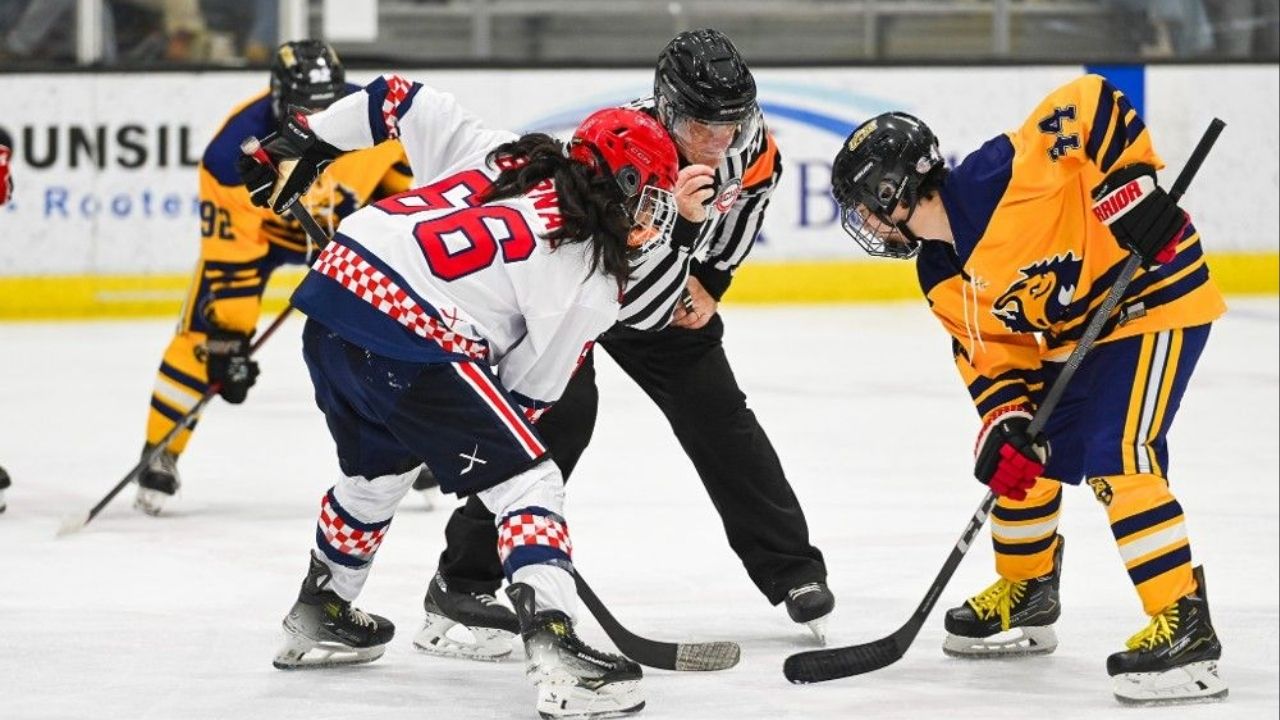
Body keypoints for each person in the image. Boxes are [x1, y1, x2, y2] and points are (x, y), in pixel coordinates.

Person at [239, 71, 687, 718]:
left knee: (376, 473)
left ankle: (322, 608)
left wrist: (305, 141)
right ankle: (558, 649)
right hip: (410, 339)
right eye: (649, 199)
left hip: (332, 301)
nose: (651, 219)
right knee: (529, 481)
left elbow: (398, 97)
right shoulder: (589, 276)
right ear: (619, 185)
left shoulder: (507, 155)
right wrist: (475, 444)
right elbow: (527, 401)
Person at [415, 28, 834, 663]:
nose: (718, 139)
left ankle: (793, 570)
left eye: (730, 122)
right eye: (702, 124)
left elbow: (753, 194)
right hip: (585, 289)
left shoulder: (746, 142)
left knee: (720, 417)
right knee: (555, 427)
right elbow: (611, 276)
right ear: (668, 107)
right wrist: (681, 235)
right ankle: (461, 582)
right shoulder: (620, 145)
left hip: (666, 289)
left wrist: (711, 278)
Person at [829, 75, 1227, 705]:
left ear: (893, 190)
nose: (867, 224)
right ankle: (1029, 591)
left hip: (1152, 297)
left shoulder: (997, 175)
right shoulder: (939, 269)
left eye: (866, 207)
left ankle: (1187, 629)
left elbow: (1090, 100)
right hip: (1080, 332)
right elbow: (990, 355)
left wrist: (1131, 190)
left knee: (1118, 454)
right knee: (1022, 455)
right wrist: (1008, 417)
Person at [133, 40, 416, 515]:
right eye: (307, 109)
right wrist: (228, 341)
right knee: (205, 335)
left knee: (392, 330)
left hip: (339, 235)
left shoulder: (376, 118)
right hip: (261, 239)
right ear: (278, 100)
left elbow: (402, 185)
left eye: (330, 106)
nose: (321, 119)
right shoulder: (231, 154)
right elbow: (232, 256)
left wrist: (375, 230)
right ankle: (162, 448)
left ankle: (411, 443)